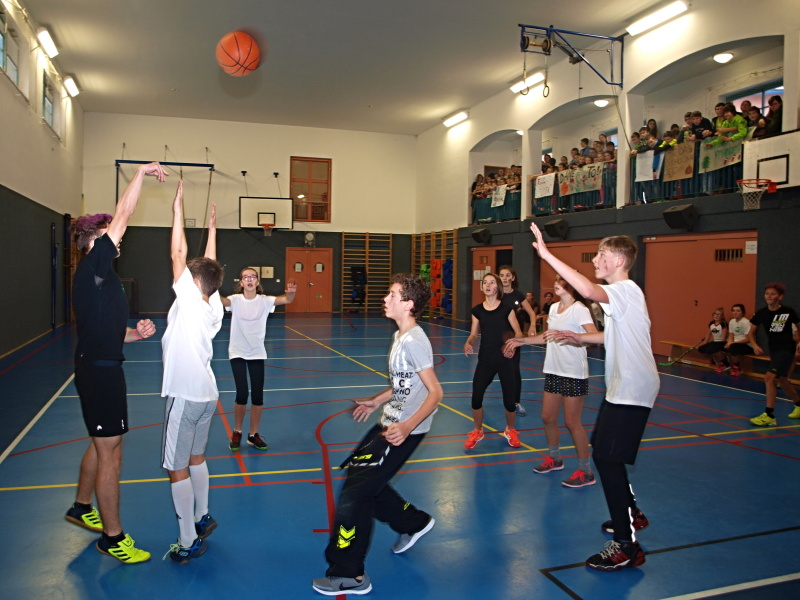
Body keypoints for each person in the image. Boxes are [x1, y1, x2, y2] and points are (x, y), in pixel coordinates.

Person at [528, 222, 658, 572]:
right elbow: (609, 336)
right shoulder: (621, 297)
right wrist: (579, 338)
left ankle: (627, 546)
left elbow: (585, 288)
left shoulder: (624, 289)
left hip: (633, 387)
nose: (596, 260)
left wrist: (547, 255)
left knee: (606, 458)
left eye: (601, 255)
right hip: (624, 386)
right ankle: (631, 513)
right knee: (604, 451)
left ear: (618, 261)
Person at [312, 274, 443, 596]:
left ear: (408, 304)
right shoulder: (400, 336)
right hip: (389, 422)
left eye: (392, 294)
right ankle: (413, 522)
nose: (386, 299)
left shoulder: (414, 341)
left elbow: (436, 392)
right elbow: (404, 383)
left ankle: (350, 574)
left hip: (402, 431)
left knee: (354, 497)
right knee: (363, 481)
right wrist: (377, 401)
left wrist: (407, 426)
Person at [65, 162, 166, 564]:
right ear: (95, 241)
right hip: (100, 373)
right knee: (112, 453)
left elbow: (107, 330)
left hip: (100, 364)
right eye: (109, 232)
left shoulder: (101, 277)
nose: (117, 236)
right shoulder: (94, 266)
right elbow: (124, 212)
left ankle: (81, 506)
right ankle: (113, 537)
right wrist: (140, 173)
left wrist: (135, 334)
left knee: (102, 441)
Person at [161, 182, 225, 563]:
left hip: (185, 395)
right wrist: (212, 230)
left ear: (193, 282)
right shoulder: (214, 307)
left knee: (177, 467)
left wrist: (178, 210)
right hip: (208, 396)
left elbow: (178, 253)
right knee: (197, 457)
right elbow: (209, 269)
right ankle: (202, 515)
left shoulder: (188, 299)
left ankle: (188, 540)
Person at [504, 274, 599, 487]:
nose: (556, 283)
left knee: (572, 422)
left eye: (561, 280)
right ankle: (555, 459)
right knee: (547, 417)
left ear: (572, 285)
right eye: (555, 280)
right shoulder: (554, 308)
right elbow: (546, 337)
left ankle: (586, 471)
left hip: (573, 372)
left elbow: (593, 337)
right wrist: (521, 341)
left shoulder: (580, 309)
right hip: (553, 370)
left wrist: (573, 337)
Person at [221, 269, 296, 451]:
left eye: (252, 277)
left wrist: (291, 292)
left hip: (256, 353)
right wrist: (212, 287)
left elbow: (286, 299)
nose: (249, 279)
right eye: (245, 277)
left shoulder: (264, 301)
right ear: (241, 282)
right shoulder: (235, 300)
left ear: (257, 281)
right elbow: (223, 301)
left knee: (257, 396)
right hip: (238, 352)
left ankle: (253, 434)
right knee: (241, 394)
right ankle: (237, 431)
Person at [463, 273, 523, 450]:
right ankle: (478, 430)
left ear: (497, 287)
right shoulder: (477, 311)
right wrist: (468, 342)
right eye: (485, 283)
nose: (488, 285)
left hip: (505, 360)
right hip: (485, 359)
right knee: (476, 398)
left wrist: (512, 345)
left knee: (509, 402)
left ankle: (510, 430)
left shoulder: (507, 309)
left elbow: (519, 332)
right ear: (482, 287)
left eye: (491, 282)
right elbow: (474, 334)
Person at [747, 283, 800, 427]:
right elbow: (751, 333)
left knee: (769, 378)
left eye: (773, 293)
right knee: (782, 380)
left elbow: (799, 328)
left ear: (780, 297)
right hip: (774, 351)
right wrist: (755, 345)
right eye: (767, 293)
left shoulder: (789, 312)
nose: (769, 296)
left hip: (787, 350)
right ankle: (799, 405)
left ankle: (769, 415)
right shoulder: (761, 313)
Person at [498, 266, 537, 416]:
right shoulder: (496, 294)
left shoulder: (518, 295)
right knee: (489, 369)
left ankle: (516, 402)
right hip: (497, 336)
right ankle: (478, 399)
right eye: (502, 275)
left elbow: (531, 313)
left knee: (514, 370)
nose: (505, 278)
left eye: (508, 275)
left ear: (513, 278)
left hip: (513, 337)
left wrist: (532, 325)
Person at [724, 303, 752, 376]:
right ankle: (725, 364)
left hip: (747, 345)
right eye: (733, 311)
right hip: (735, 343)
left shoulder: (746, 322)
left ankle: (736, 367)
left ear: (742, 312)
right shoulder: (732, 321)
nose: (735, 312)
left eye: (738, 311)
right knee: (720, 346)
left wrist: (732, 343)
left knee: (733, 347)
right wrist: (729, 343)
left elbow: (748, 339)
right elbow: (731, 335)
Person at [697, 307, 728, 372]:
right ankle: (714, 359)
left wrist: (721, 345)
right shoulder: (711, 324)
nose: (717, 316)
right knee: (701, 349)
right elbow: (708, 335)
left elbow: (724, 337)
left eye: (719, 314)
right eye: (715, 314)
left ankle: (724, 363)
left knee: (714, 348)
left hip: (721, 342)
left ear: (722, 316)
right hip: (714, 342)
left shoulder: (723, 323)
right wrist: (704, 344)